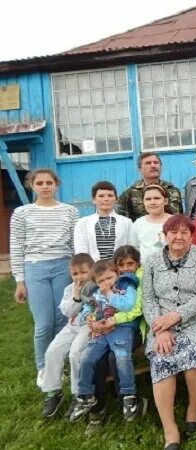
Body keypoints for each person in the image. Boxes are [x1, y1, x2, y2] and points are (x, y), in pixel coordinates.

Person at [143, 215, 196, 450]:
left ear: (191, 236)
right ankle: (170, 428)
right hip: (160, 324)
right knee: (162, 358)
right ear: (164, 236)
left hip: (195, 321)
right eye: (173, 232)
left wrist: (178, 315)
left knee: (194, 355)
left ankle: (193, 406)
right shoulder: (152, 261)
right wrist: (160, 329)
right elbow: (148, 300)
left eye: (185, 232)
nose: (179, 236)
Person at [9, 168, 79, 386]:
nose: (45, 186)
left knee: (62, 319)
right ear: (32, 185)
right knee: (43, 323)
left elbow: (74, 243)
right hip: (35, 267)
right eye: (40, 183)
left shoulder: (70, 211)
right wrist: (20, 280)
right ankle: (43, 367)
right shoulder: (22, 213)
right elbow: (16, 245)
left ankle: (59, 365)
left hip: (62, 265)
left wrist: (76, 272)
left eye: (49, 182)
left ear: (56, 185)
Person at [69, 259, 146, 423]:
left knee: (121, 357)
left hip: (122, 328)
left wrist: (110, 294)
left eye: (109, 278)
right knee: (87, 357)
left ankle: (128, 395)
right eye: (101, 281)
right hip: (101, 331)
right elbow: (91, 308)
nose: (105, 283)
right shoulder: (97, 292)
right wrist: (88, 319)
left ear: (117, 274)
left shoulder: (126, 287)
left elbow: (127, 305)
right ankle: (85, 395)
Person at [40, 253, 95, 418]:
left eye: (84, 272)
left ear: (92, 270)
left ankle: (79, 394)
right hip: (72, 325)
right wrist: (76, 297)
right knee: (52, 351)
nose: (80, 277)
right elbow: (67, 311)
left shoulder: (97, 287)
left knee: (75, 353)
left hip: (89, 327)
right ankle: (53, 391)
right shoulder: (69, 289)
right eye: (75, 274)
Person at [74, 181, 132, 261]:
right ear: (93, 200)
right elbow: (81, 252)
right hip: (94, 270)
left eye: (110, 195)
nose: (106, 199)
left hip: (120, 270)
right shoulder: (83, 223)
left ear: (116, 199)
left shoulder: (127, 222)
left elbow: (130, 249)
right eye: (101, 196)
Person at [117, 152, 182, 222]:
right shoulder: (129, 193)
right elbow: (123, 221)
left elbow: (180, 217)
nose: (153, 166)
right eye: (148, 163)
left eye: (156, 162)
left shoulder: (173, 190)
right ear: (140, 169)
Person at [129, 184, 172, 265]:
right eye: (148, 199)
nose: (152, 202)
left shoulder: (175, 221)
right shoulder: (138, 223)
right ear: (143, 202)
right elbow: (134, 248)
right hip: (146, 271)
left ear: (165, 201)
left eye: (157, 198)